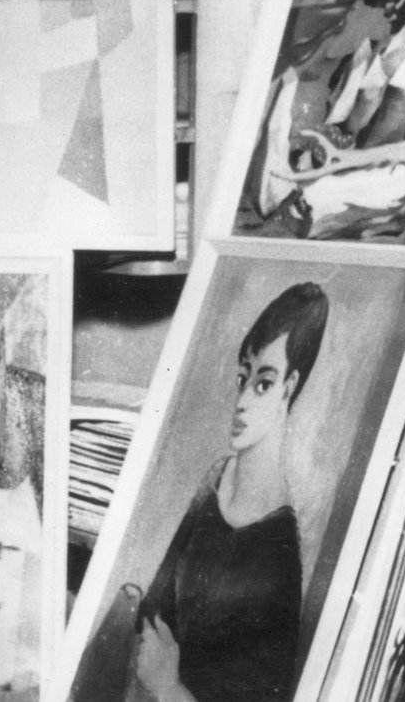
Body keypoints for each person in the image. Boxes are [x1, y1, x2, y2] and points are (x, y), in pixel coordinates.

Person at [131, 282, 329, 702]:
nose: (241, 401)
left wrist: (168, 686)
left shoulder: (277, 554)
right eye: (243, 378)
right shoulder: (217, 478)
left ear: (289, 387)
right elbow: (156, 606)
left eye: (263, 383)